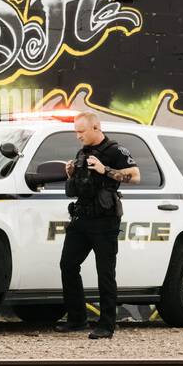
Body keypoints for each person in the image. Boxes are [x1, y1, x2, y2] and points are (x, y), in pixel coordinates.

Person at [54, 112, 140, 340]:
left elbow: (136, 175)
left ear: (95, 127)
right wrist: (71, 174)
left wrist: (106, 170)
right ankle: (77, 319)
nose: (78, 136)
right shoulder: (81, 153)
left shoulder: (115, 150)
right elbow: (78, 186)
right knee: (68, 265)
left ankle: (106, 325)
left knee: (105, 272)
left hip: (105, 221)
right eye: (76, 132)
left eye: (81, 131)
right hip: (82, 218)